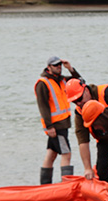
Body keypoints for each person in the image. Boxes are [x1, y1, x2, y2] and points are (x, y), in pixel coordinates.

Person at [66, 78, 108, 183]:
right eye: (74, 102)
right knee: (102, 170)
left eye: (80, 98)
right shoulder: (79, 112)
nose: (79, 103)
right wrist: (87, 168)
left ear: (86, 90)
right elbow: (83, 140)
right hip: (105, 140)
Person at [34, 56, 81, 184]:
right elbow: (43, 106)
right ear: (48, 67)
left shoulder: (63, 80)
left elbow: (81, 82)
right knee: (67, 154)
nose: (59, 68)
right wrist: (49, 127)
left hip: (63, 124)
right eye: (56, 66)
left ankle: (45, 185)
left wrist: (70, 68)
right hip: (56, 126)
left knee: (51, 153)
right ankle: (66, 185)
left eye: (60, 65)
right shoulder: (43, 83)